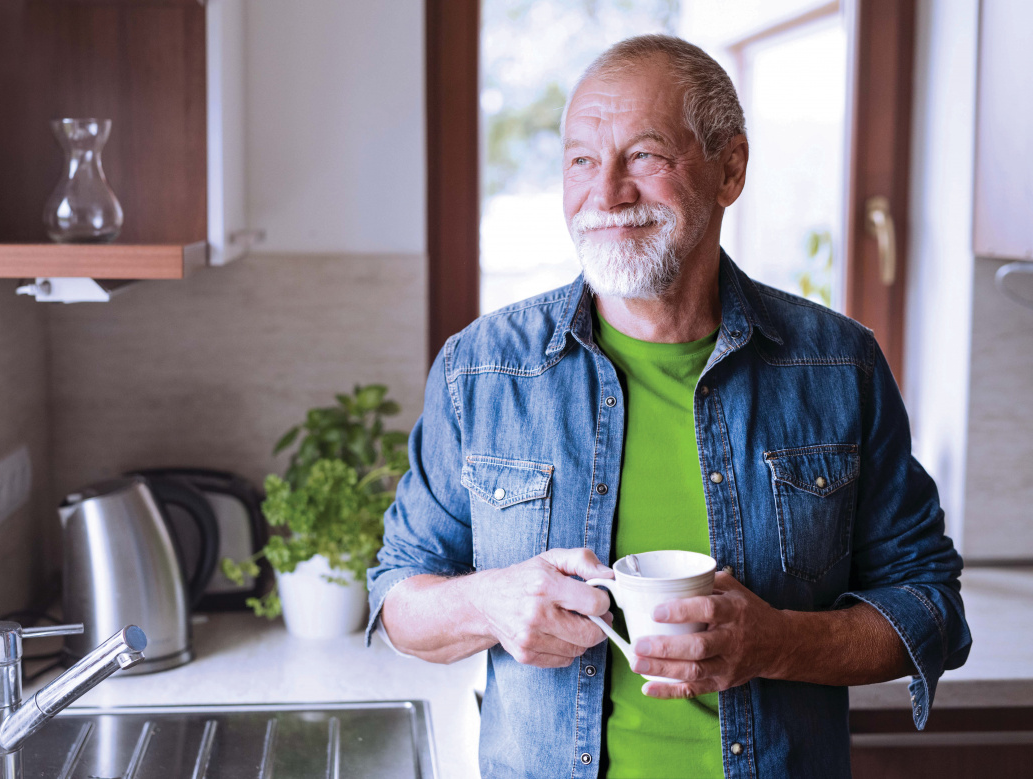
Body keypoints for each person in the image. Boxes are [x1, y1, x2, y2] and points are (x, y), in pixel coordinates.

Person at [367, 34, 971, 778]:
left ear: (731, 168)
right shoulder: (483, 368)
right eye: (582, 160)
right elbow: (399, 598)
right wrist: (487, 603)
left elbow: (931, 605)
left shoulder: (838, 366)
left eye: (644, 156)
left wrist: (776, 641)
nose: (607, 193)